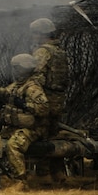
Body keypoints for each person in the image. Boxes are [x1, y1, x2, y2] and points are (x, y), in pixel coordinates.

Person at [0, 53, 50, 186]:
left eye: (16, 68)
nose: (14, 71)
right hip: (17, 127)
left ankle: (20, 181)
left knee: (13, 145)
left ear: (24, 69)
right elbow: (5, 92)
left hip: (34, 128)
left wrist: (24, 105)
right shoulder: (18, 85)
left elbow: (44, 108)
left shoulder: (32, 87)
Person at [30, 17, 69, 182]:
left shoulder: (42, 52)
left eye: (35, 34)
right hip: (59, 98)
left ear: (41, 34)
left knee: (42, 135)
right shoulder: (61, 52)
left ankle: (43, 174)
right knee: (55, 134)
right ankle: (58, 172)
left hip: (45, 98)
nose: (33, 37)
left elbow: (37, 77)